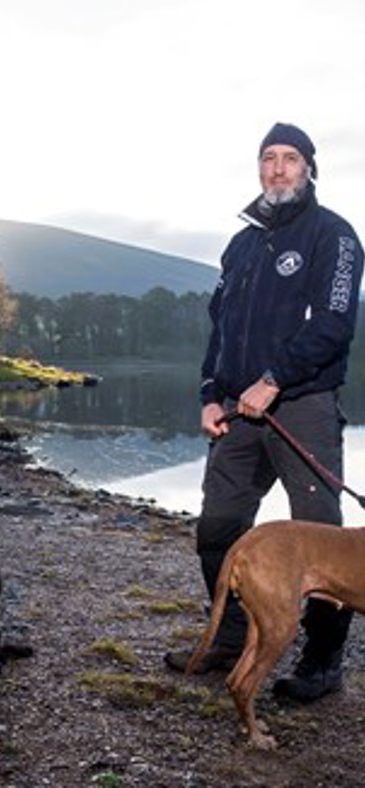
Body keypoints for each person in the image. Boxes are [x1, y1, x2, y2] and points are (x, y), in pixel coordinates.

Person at [164, 122, 364, 701]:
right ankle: (232, 639)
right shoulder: (242, 244)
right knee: (218, 527)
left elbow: (333, 325)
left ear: (310, 169)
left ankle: (321, 664)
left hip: (301, 405)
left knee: (324, 537)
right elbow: (221, 327)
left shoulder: (334, 236)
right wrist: (210, 393)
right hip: (237, 411)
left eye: (290, 158)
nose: (278, 168)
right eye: (268, 158)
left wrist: (274, 379)